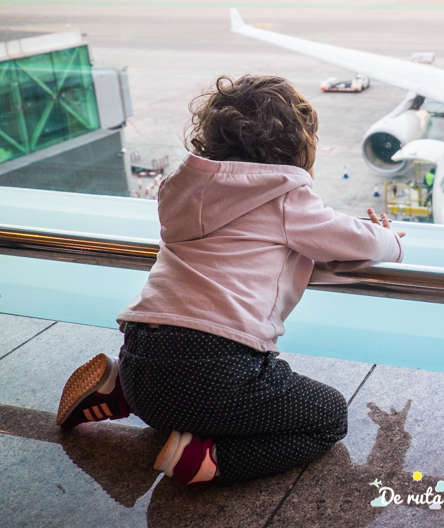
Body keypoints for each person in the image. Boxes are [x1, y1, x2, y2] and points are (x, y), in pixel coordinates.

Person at [54, 75, 404, 486]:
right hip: (214, 371)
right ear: (299, 146)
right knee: (328, 416)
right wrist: (390, 239)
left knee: (177, 395)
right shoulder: (285, 195)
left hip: (139, 352)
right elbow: (359, 242)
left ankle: (121, 390)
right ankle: (208, 459)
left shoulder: (179, 190)